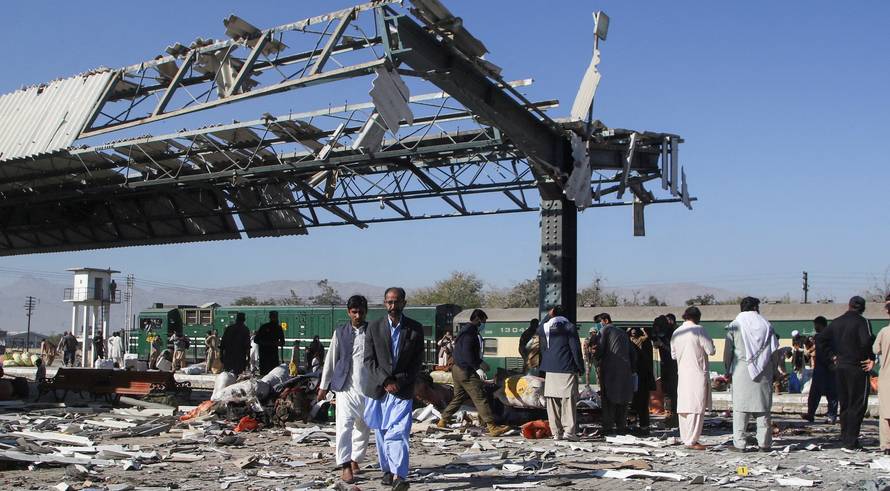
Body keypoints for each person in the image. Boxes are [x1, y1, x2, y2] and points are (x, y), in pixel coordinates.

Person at [362, 287, 424, 491]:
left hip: (402, 390)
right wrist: (385, 380)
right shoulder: (373, 327)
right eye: (389, 302)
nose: (392, 306)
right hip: (379, 389)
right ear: (384, 303)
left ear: (404, 303)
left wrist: (399, 381)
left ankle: (400, 476)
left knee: (398, 432)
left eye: (396, 302)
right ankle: (387, 470)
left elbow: (416, 363)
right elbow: (369, 361)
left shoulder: (415, 329)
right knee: (381, 431)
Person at [318, 295, 372, 484]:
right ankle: (345, 465)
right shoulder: (340, 332)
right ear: (348, 312)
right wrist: (324, 386)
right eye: (354, 311)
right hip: (345, 388)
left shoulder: (372, 332)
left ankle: (356, 458)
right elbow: (331, 359)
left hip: (367, 388)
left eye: (361, 311)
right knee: (344, 427)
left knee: (363, 427)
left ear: (366, 312)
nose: (358, 315)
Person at [438, 309, 510, 436]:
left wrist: (480, 362)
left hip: (457, 368)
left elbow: (463, 352)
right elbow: (467, 353)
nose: (484, 324)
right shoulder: (470, 334)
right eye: (483, 321)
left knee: (459, 397)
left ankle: (443, 420)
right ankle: (492, 427)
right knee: (480, 396)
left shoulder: (464, 331)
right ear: (477, 319)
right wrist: (477, 367)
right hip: (466, 370)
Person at [724, 296, 779, 452]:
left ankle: (740, 444)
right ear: (756, 307)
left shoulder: (734, 325)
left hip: (741, 370)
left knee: (740, 408)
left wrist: (727, 369)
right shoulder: (767, 325)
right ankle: (765, 443)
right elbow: (774, 351)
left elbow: (728, 351)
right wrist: (774, 370)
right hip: (764, 371)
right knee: (763, 408)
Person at [821, 296, 876, 450]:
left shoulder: (836, 322)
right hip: (858, 367)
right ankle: (852, 441)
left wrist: (832, 356)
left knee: (844, 403)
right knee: (858, 404)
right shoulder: (863, 322)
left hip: (840, 367)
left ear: (849, 305)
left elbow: (821, 339)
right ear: (863, 308)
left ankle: (845, 438)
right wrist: (870, 358)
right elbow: (866, 341)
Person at [671, 306, 715, 450]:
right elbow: (711, 350)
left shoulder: (676, 332)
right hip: (697, 373)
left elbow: (673, 355)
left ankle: (686, 438)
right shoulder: (699, 330)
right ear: (697, 317)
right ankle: (692, 440)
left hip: (682, 373)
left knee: (684, 407)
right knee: (696, 407)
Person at [538, 305, 585, 440]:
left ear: (552, 313)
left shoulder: (546, 327)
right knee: (568, 400)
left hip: (550, 369)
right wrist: (580, 367)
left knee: (552, 401)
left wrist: (548, 316)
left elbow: (538, 328)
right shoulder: (569, 327)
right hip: (566, 368)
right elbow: (575, 349)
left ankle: (556, 433)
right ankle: (569, 432)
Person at [596, 312, 636, 435]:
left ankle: (608, 427)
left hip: (610, 370)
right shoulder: (622, 333)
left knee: (608, 399)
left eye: (599, 322)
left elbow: (600, 350)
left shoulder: (605, 331)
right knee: (623, 400)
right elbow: (633, 353)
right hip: (625, 370)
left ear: (605, 320)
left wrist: (595, 354)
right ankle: (621, 426)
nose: (599, 325)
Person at [803, 317, 838, 423]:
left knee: (816, 393)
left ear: (820, 325)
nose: (815, 327)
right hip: (830, 368)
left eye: (816, 325)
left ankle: (811, 414)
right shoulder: (833, 336)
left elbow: (822, 352)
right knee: (831, 394)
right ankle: (831, 416)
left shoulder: (819, 337)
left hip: (822, 368)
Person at [870, 295, 890, 454]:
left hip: (887, 377)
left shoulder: (884, 332)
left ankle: (887, 445)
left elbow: (876, 350)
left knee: (886, 413)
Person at [628, 325, 655, 435]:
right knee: (640, 404)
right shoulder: (643, 342)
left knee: (635, 403)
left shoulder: (633, 343)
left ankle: (635, 426)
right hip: (642, 376)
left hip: (637, 376)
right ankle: (642, 426)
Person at [652, 314, 678, 425]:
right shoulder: (661, 334)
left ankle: (674, 414)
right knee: (666, 390)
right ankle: (669, 413)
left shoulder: (674, 334)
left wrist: (662, 344)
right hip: (664, 364)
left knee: (673, 391)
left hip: (673, 365)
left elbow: (674, 352)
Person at [254, 311, 285, 376]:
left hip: (266, 357)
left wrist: (266, 343)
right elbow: (256, 340)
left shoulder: (264, 327)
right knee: (272, 375)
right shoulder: (277, 328)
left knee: (265, 376)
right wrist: (273, 343)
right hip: (269, 357)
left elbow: (256, 340)